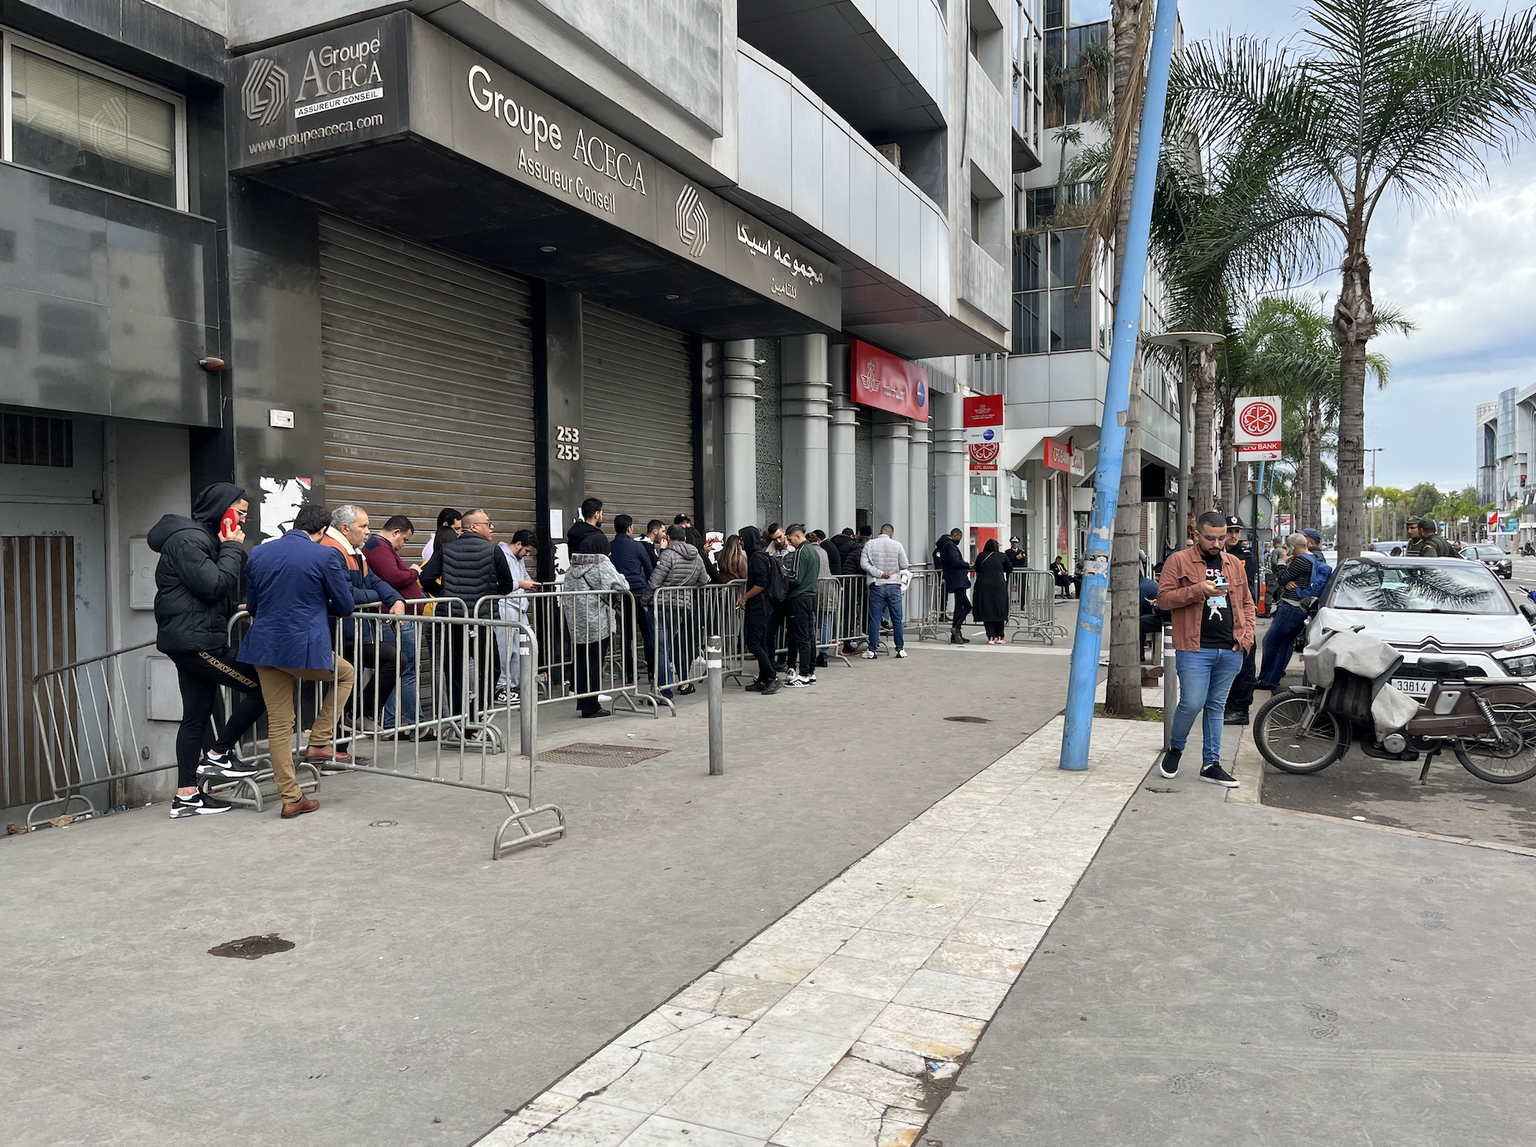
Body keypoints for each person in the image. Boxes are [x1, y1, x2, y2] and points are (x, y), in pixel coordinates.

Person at [148, 482, 264, 818]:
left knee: (196, 716)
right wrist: (230, 547)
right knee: (262, 686)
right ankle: (219, 755)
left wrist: (236, 609)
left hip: (191, 640)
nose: (242, 521)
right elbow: (213, 585)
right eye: (240, 513)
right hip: (197, 643)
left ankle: (186, 796)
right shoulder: (190, 539)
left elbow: (200, 594)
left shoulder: (195, 538)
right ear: (222, 509)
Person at [241, 503, 357, 818]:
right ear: (322, 531)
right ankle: (319, 740)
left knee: (279, 724)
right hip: (302, 646)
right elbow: (345, 605)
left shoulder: (259, 553)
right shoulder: (325, 555)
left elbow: (253, 604)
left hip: (263, 646)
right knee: (345, 674)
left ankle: (292, 797)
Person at [1155, 511, 1256, 788]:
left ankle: (1211, 763)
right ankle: (1175, 750)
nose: (1217, 543)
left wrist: (1246, 637)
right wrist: (1198, 590)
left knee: (1216, 707)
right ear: (1196, 534)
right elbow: (1163, 600)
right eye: (1211, 538)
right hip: (1194, 647)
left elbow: (1247, 603)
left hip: (1231, 647)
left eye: (1222, 537)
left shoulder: (1233, 563)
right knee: (1192, 702)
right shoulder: (1178, 561)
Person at [420, 509, 514, 732]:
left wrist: (445, 594)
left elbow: (426, 578)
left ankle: (458, 723)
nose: (492, 528)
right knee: (490, 670)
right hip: (481, 621)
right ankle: (475, 714)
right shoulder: (494, 551)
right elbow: (507, 586)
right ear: (473, 526)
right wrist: (489, 595)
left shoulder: (446, 549)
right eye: (488, 524)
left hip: (452, 620)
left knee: (454, 673)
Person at [322, 505, 405, 741]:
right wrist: (380, 598)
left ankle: (357, 720)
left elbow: (373, 581)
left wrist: (395, 599)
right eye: (363, 526)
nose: (368, 532)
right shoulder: (333, 550)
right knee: (341, 688)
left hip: (356, 634)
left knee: (390, 661)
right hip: (337, 633)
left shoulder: (355, 551)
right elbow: (348, 595)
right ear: (345, 528)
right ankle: (335, 747)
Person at [365, 515, 426, 737]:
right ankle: (416, 726)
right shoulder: (379, 546)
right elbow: (392, 577)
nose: (403, 546)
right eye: (405, 540)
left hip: (399, 618)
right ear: (396, 532)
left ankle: (390, 725)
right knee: (407, 670)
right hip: (398, 619)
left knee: (397, 670)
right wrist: (414, 572)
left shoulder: (379, 547)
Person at [562, 530, 631, 717]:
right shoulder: (600, 565)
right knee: (594, 662)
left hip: (577, 622)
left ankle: (583, 702)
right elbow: (621, 586)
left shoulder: (572, 568)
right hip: (597, 621)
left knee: (582, 662)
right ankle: (591, 706)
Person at [642, 524, 710, 697]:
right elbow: (704, 580)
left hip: (661, 606)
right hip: (681, 608)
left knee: (662, 650)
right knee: (667, 646)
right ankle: (660, 688)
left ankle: (665, 691)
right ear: (685, 538)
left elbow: (654, 582)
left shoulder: (668, 555)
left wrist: (644, 600)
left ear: (669, 538)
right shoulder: (696, 556)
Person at [1255, 533, 1316, 692]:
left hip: (1291, 605)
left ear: (1293, 547)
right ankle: (1272, 679)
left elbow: (1281, 580)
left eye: (1287, 547)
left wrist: (1283, 561)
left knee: (1270, 641)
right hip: (1302, 607)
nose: (1285, 549)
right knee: (1285, 643)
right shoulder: (1313, 558)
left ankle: (1266, 678)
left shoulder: (1300, 560)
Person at [736, 526, 782, 694]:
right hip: (762, 606)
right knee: (760, 642)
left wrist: (745, 597)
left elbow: (761, 583)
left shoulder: (757, 557)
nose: (740, 542)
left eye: (741, 538)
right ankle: (764, 678)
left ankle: (771, 676)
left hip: (759, 606)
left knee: (754, 642)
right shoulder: (759, 555)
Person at [1223, 514, 1259, 726]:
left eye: (1236, 531)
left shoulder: (1245, 555)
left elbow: (1236, 582)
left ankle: (1240, 708)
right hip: (1224, 613)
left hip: (1243, 612)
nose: (1233, 535)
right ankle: (1230, 704)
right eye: (1230, 531)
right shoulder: (1217, 554)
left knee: (1245, 660)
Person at [610, 514, 655, 687]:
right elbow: (649, 568)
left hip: (621, 595)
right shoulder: (637, 546)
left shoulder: (610, 547)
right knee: (647, 633)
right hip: (639, 594)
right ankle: (652, 671)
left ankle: (629, 673)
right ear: (629, 528)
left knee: (626, 635)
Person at [495, 529, 539, 702]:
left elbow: (524, 576)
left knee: (520, 649)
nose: (527, 555)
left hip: (518, 607)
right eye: (527, 551)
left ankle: (512, 685)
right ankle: (501, 687)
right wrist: (523, 584)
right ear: (518, 544)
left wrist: (530, 584)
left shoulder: (518, 559)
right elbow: (503, 583)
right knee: (505, 650)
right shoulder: (501, 556)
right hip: (506, 606)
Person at [860, 523, 909, 659]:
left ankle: (872, 650)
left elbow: (864, 564)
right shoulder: (897, 545)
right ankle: (900, 649)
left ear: (880, 531)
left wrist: (879, 573)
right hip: (893, 584)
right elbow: (905, 564)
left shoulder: (869, 544)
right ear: (891, 533)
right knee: (897, 619)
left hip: (877, 584)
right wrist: (891, 572)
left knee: (875, 619)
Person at [783, 524, 822, 686]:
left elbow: (796, 578)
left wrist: (784, 572)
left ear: (798, 537)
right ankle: (810, 672)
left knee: (802, 637)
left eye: (790, 540)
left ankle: (804, 674)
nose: (790, 543)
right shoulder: (814, 551)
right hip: (810, 596)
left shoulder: (801, 552)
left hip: (799, 598)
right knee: (809, 636)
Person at [971, 538, 1013, 643]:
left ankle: (990, 636)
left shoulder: (981, 556)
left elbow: (977, 568)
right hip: (999, 586)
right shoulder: (1002, 556)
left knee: (987, 610)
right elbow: (1010, 568)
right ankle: (1000, 636)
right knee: (999, 610)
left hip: (983, 586)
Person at [936, 528, 973, 645]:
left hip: (954, 578)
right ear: (955, 535)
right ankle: (956, 628)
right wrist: (968, 565)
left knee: (964, 605)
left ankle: (955, 633)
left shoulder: (945, 546)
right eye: (960, 537)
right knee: (962, 606)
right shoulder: (950, 546)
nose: (960, 540)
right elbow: (955, 562)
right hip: (957, 579)